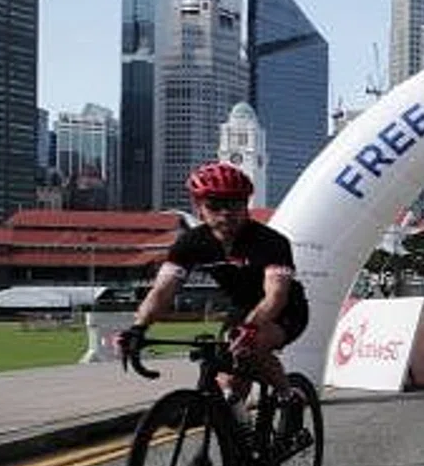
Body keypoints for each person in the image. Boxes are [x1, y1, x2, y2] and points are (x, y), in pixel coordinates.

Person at [119, 161, 309, 405]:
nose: (226, 213)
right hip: (241, 308)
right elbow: (162, 292)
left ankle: (288, 395)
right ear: (199, 208)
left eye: (235, 204)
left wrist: (250, 329)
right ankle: (239, 430)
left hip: (285, 310)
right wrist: (138, 327)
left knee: (251, 348)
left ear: (246, 205)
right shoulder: (190, 243)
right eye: (215, 206)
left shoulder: (271, 242)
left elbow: (276, 295)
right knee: (228, 383)